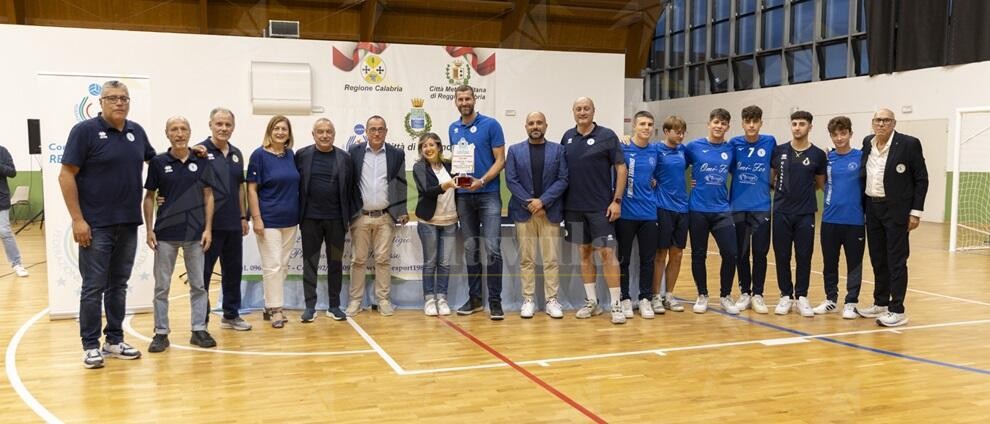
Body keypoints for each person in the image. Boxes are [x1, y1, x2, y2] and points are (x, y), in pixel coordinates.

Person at [59, 80, 155, 368]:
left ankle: (113, 340)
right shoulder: (84, 132)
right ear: (100, 103)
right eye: (112, 98)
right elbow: (66, 176)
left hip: (127, 223)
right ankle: (90, 345)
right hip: (96, 226)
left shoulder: (136, 132)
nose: (119, 103)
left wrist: (192, 151)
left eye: (124, 98)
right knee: (93, 287)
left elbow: (158, 162)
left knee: (119, 285)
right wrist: (78, 220)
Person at [143, 116, 216, 352]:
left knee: (198, 285)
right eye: (174, 129)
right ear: (167, 134)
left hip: (195, 234)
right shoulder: (157, 162)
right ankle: (161, 333)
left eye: (184, 129)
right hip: (165, 234)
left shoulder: (202, 160)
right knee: (161, 287)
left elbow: (208, 196)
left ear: (190, 132)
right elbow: (149, 197)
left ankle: (198, 329)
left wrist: (208, 229)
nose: (179, 133)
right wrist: (149, 229)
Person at [857, 108, 928, 327]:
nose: (881, 124)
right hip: (872, 207)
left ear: (894, 123)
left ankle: (897, 309)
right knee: (877, 258)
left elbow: (922, 179)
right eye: (878, 120)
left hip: (896, 210)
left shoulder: (909, 144)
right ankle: (881, 302)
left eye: (886, 120)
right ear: (872, 122)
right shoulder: (867, 142)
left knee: (896, 259)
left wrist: (915, 212)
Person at [562, 97, 628, 324]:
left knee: (608, 254)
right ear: (573, 112)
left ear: (593, 111)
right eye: (578, 109)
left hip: (601, 208)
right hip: (574, 208)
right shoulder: (567, 138)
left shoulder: (607, 136)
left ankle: (616, 304)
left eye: (586, 108)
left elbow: (621, 168)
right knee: (584, 253)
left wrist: (616, 200)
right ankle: (592, 302)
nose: (582, 112)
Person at [448, 85, 506, 320]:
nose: (464, 102)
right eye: (460, 99)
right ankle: (475, 299)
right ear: (456, 102)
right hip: (463, 197)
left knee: (492, 248)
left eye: (467, 98)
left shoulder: (491, 125)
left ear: (474, 99)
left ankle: (495, 301)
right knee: (471, 248)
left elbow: (500, 160)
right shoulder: (453, 128)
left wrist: (481, 181)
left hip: (488, 194)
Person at [505, 112, 569, 319]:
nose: (535, 126)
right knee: (526, 259)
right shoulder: (514, 151)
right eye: (531, 123)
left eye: (539, 123)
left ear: (546, 126)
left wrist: (543, 201)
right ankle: (528, 299)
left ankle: (552, 300)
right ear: (526, 127)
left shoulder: (558, 150)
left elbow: (563, 179)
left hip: (549, 212)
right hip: (524, 213)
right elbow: (511, 181)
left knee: (551, 259)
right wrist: (531, 204)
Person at [197, 108, 252, 331]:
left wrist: (242, 216)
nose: (223, 128)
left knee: (233, 272)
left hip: (233, 225)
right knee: (203, 275)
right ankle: (200, 321)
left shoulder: (237, 153)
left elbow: (240, 187)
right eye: (219, 124)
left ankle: (231, 315)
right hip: (207, 227)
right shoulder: (199, 152)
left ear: (233, 127)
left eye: (228, 125)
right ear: (210, 124)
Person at [348, 115, 407, 317]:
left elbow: (401, 183)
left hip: (385, 216)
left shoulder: (396, 154)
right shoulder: (354, 152)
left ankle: (383, 300)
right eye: (372, 129)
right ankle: (355, 301)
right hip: (360, 216)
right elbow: (349, 185)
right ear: (366, 131)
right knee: (358, 260)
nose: (376, 133)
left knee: (383, 260)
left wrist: (402, 210)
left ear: (386, 131)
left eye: (380, 129)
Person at [296, 118, 354, 322]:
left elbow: (350, 189)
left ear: (334, 134)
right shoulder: (302, 155)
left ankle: (334, 305)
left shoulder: (345, 158)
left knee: (335, 263)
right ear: (313, 134)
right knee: (309, 263)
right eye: (320, 131)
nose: (324, 135)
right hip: (310, 221)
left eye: (328, 131)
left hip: (337, 222)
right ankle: (310, 307)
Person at [770, 111, 827, 317]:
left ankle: (801, 296)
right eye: (794, 123)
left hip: (805, 213)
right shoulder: (778, 151)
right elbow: (771, 178)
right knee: (782, 255)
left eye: (802, 124)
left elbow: (820, 184)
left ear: (810, 127)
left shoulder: (818, 155)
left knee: (804, 256)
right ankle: (785, 295)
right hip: (781, 212)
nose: (797, 127)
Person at [246, 115, 300, 329]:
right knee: (273, 266)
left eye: (284, 129)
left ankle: (269, 305)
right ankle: (277, 309)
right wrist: (256, 218)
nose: (280, 132)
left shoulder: (290, 155)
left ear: (289, 133)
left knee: (283, 266)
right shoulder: (258, 155)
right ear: (270, 131)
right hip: (268, 220)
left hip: (290, 220)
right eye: (276, 128)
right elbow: (251, 188)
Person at [684, 108, 738, 315]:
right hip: (697, 209)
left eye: (723, 123)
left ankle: (725, 296)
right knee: (699, 254)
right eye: (716, 122)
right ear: (709, 123)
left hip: (722, 210)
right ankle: (702, 295)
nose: (719, 126)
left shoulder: (731, 149)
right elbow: (674, 163)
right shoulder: (694, 147)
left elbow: (738, 172)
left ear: (727, 127)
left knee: (731, 253)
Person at [816, 116, 865, 319]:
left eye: (843, 133)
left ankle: (851, 302)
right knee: (830, 262)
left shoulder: (862, 157)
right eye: (835, 134)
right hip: (829, 220)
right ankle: (830, 300)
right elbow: (820, 182)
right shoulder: (827, 159)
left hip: (855, 221)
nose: (839, 138)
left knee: (854, 263)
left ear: (850, 134)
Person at [729, 105, 775, 314]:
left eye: (755, 121)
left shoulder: (770, 141)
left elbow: (777, 165)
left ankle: (758, 293)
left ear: (761, 123)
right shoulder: (734, 144)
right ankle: (744, 291)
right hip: (738, 207)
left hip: (762, 207)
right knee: (741, 252)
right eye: (748, 121)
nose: (751, 125)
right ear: (742, 123)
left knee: (760, 252)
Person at [615, 111, 659, 319]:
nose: (646, 128)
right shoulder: (622, 148)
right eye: (642, 124)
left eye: (650, 124)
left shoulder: (655, 150)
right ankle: (624, 298)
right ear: (634, 126)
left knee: (647, 259)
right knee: (622, 259)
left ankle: (644, 299)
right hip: (626, 214)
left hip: (649, 213)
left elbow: (660, 175)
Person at [412, 133, 458, 316]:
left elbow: (461, 182)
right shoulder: (419, 167)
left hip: (451, 220)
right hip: (428, 221)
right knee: (430, 263)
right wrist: (445, 186)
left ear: (439, 147)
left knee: (445, 263)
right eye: (424, 146)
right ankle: (429, 300)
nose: (428, 148)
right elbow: (427, 191)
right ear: (421, 150)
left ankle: (442, 298)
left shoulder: (450, 165)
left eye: (431, 144)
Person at [651, 116, 689, 313]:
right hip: (662, 207)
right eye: (677, 131)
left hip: (683, 208)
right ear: (666, 132)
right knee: (661, 253)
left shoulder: (684, 150)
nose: (681, 135)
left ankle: (670, 295)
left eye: (683, 131)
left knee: (678, 254)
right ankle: (655, 296)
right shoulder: (656, 150)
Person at [0, 144, 28, 277]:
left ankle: (17, 263)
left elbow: (12, 172)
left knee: (4, 231)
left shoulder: (2, 151)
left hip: (1, 198)